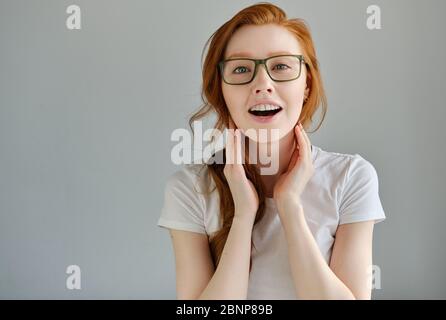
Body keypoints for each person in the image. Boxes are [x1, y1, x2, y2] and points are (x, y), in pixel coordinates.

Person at [157, 2, 386, 300]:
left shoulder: (352, 177)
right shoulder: (189, 189)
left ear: (306, 84)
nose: (262, 84)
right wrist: (243, 216)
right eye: (241, 69)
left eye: (280, 66)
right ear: (222, 92)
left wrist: (289, 205)